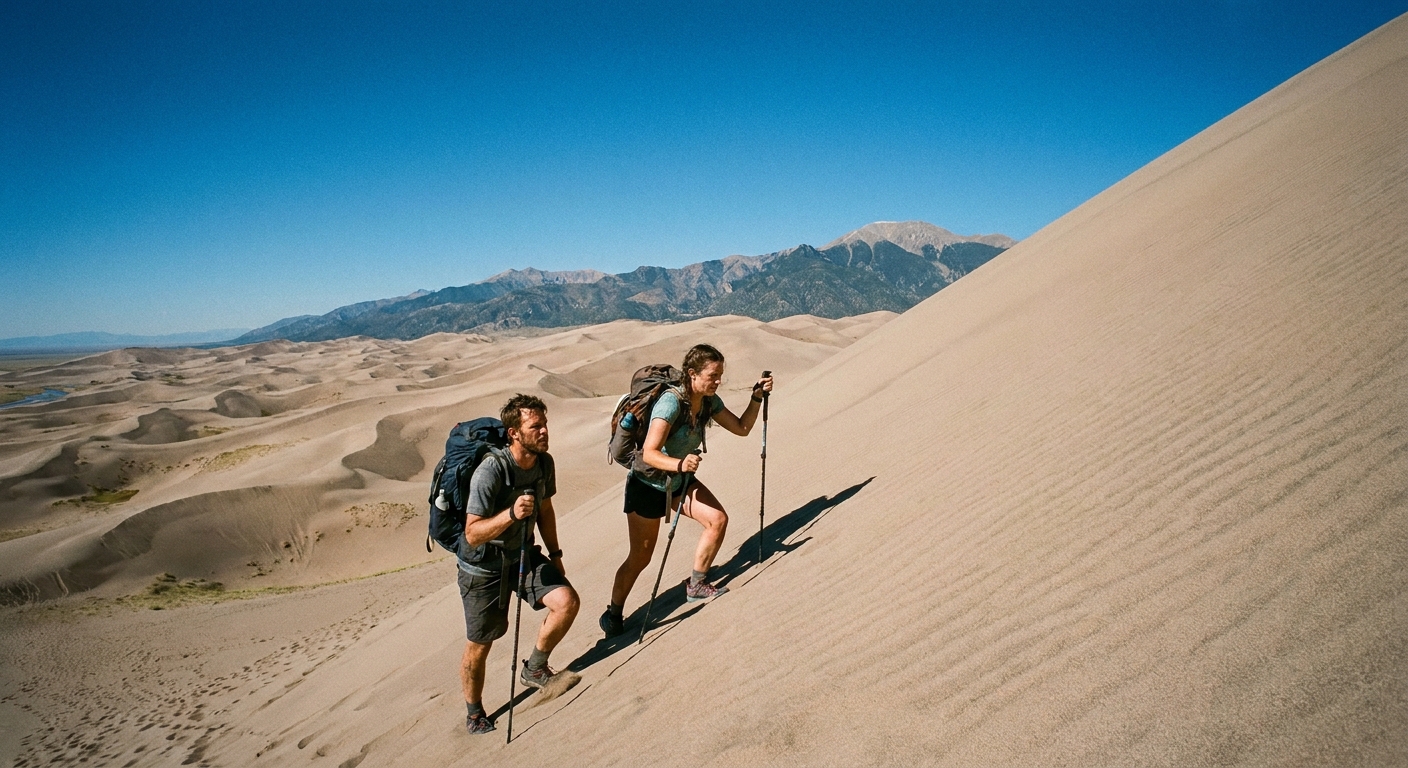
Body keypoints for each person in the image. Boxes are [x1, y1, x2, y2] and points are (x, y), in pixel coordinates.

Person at [600, 344, 773, 636]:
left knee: (716, 520)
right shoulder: (670, 403)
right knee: (640, 558)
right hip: (648, 483)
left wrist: (756, 397)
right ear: (692, 374)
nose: (718, 381)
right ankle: (613, 613)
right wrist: (680, 463)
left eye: (720, 375)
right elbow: (650, 453)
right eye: (713, 375)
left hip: (679, 479)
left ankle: (696, 584)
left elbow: (742, 428)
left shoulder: (708, 401)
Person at [458, 394, 580, 735]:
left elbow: (546, 510)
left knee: (566, 602)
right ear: (513, 433)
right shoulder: (491, 471)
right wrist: (510, 515)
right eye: (535, 427)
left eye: (544, 425)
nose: (543, 432)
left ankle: (535, 669)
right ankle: (474, 712)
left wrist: (555, 555)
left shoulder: (544, 463)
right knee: (481, 643)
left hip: (523, 556)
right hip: (482, 568)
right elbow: (471, 534)